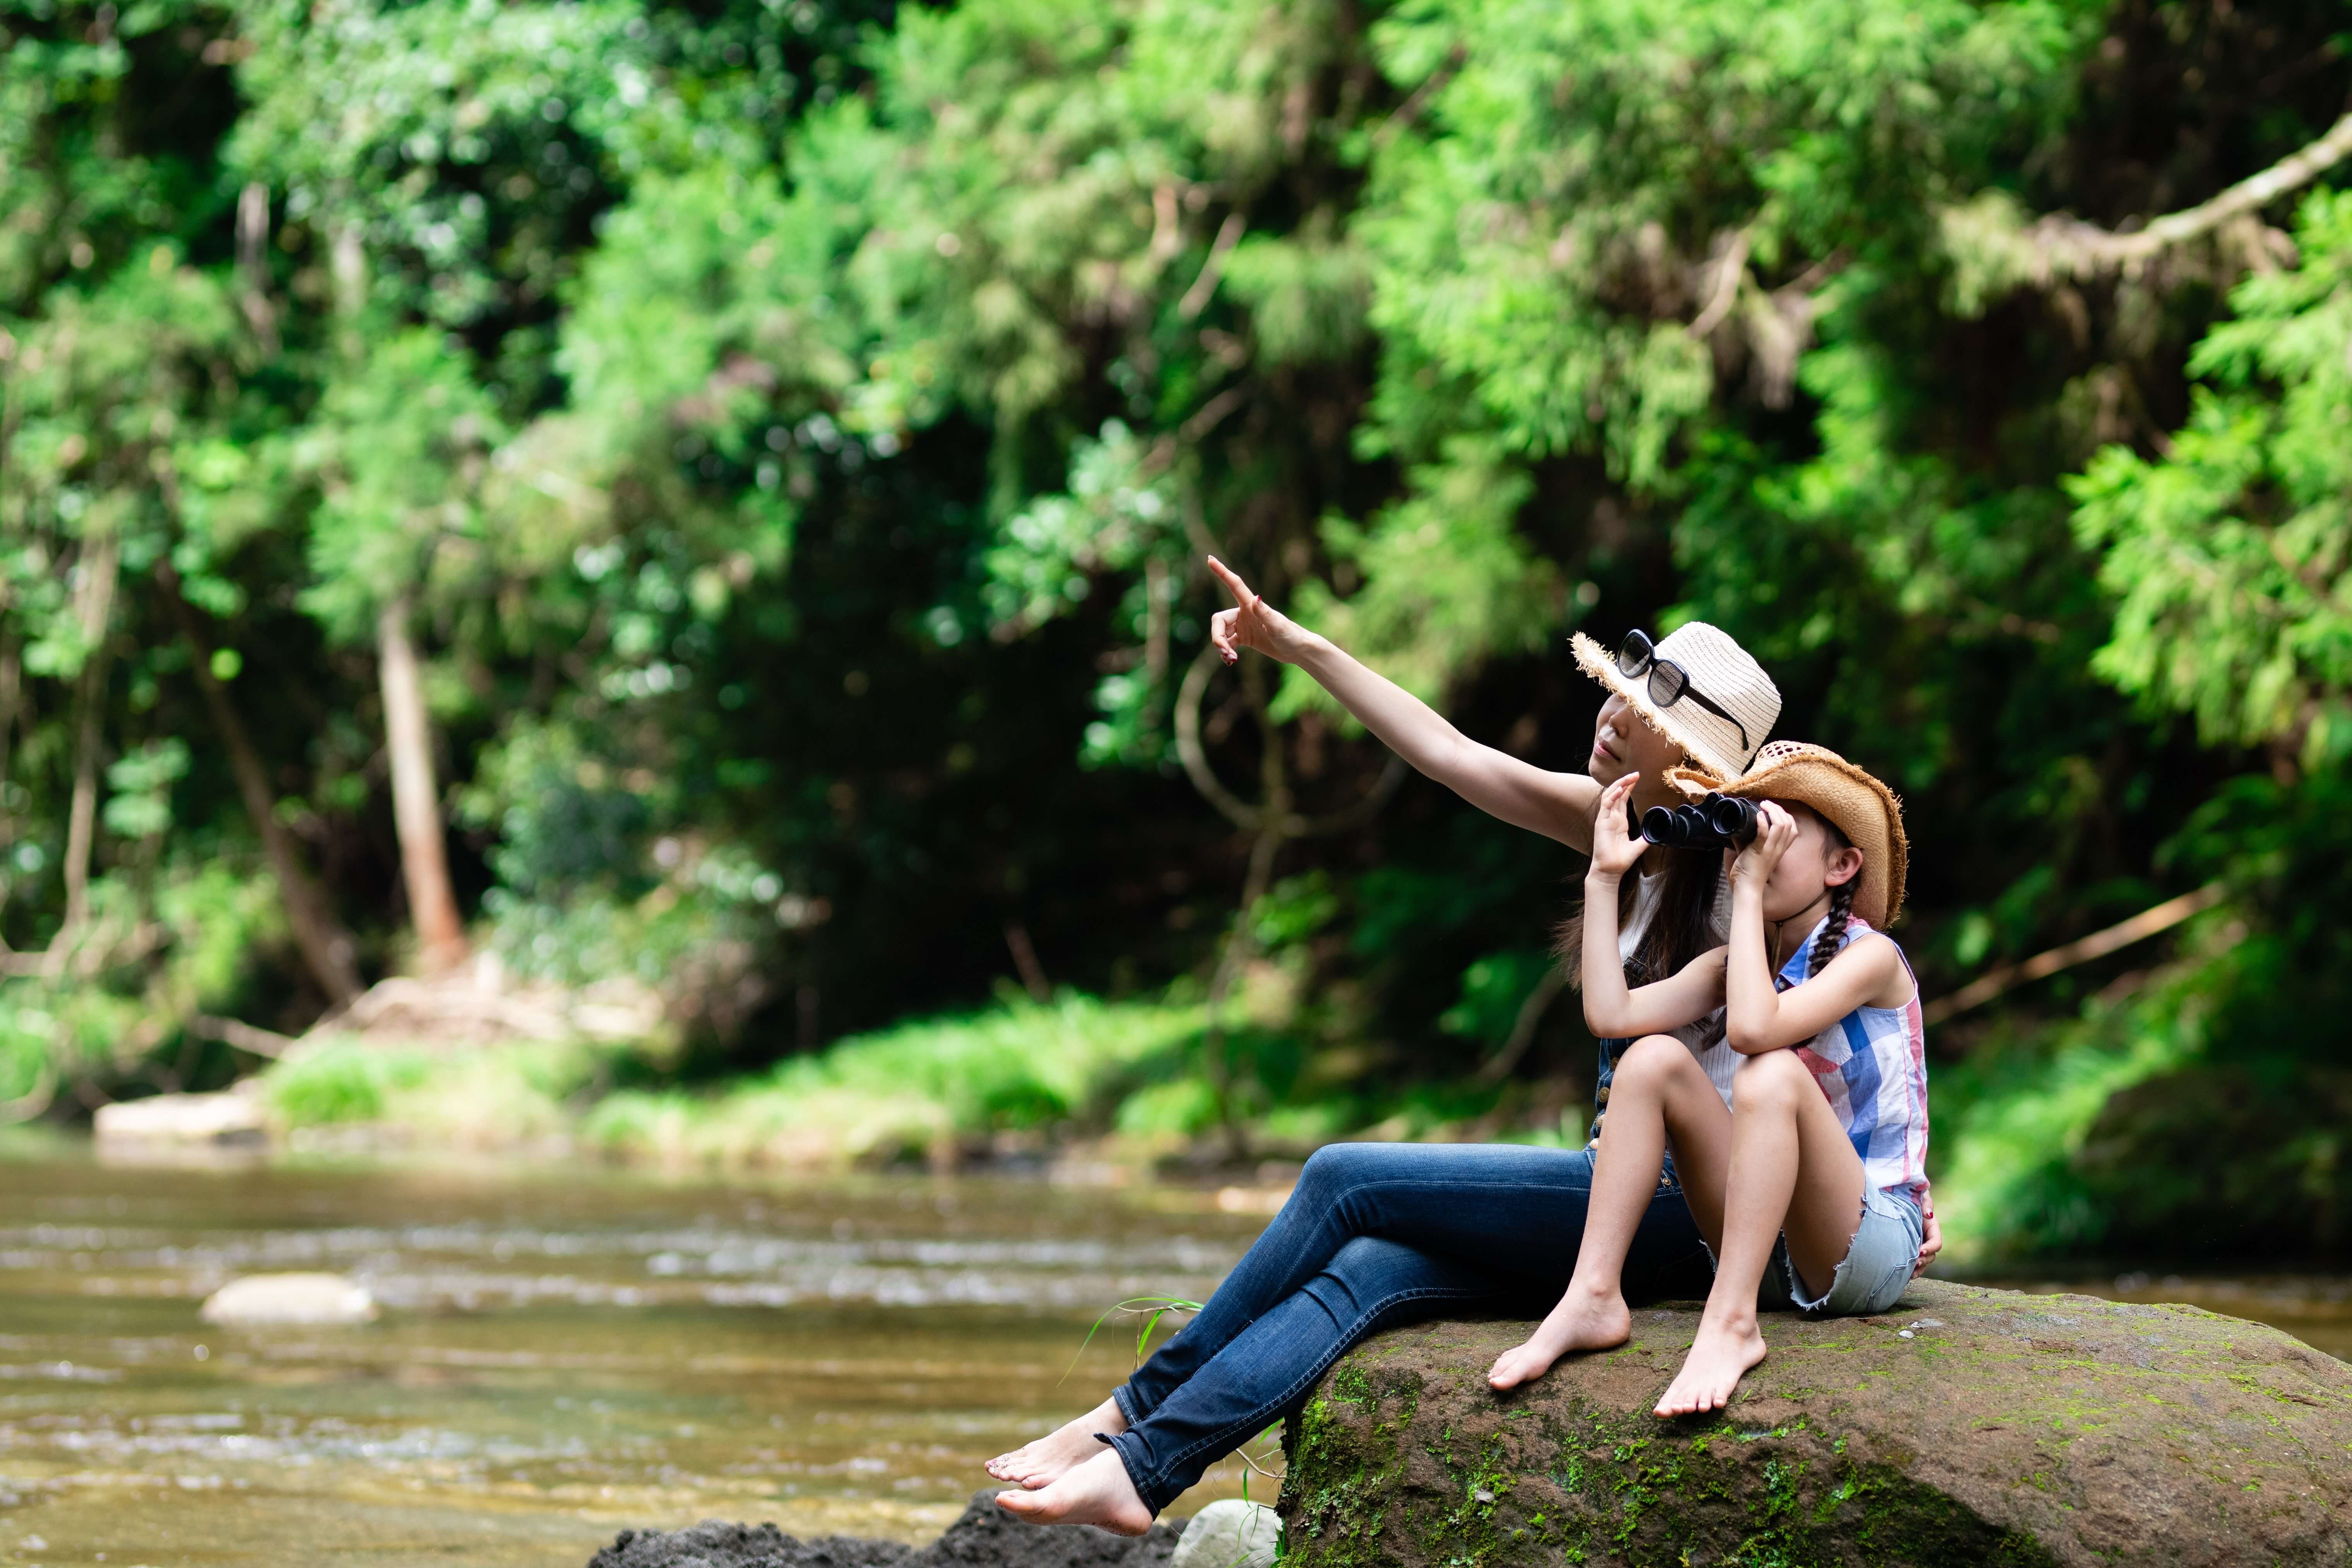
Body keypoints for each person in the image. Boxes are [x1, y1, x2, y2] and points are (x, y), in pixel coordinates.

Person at [987, 563, 1936, 1533]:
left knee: (1344, 1178)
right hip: (1608, 1185)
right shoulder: (1619, 831)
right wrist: (1300, 646)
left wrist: (1885, 1203)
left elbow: (1808, 1069)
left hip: (1676, 1205)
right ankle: (1143, 1467)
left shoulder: (1752, 887)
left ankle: (1125, 1412)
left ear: (1693, 760)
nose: (1607, 715)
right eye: (1610, 693)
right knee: (1373, 1268)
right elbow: (1446, 751)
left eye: (1634, 709)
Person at [1487, 743, 1930, 1416]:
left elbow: (1756, 1033)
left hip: (1872, 1243)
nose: (1748, 853)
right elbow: (1612, 1017)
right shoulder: (1738, 964)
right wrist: (1602, 880)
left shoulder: (1871, 959)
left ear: (1841, 866)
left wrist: (1747, 891)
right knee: (1651, 1060)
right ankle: (1592, 1295)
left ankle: (1729, 1324)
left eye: (1778, 837)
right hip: (1777, 1256)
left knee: (1769, 1074)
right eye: (1747, 832)